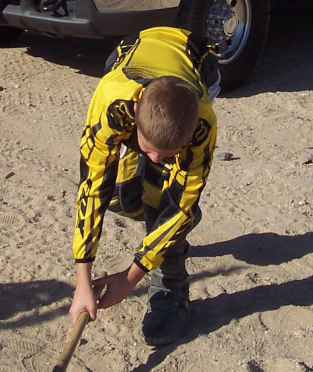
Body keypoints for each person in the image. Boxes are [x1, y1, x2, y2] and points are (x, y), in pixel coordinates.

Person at [69, 26, 219, 346]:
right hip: (135, 55)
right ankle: (150, 206)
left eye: (167, 153)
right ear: (135, 113)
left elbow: (181, 206)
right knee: (119, 195)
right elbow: (92, 187)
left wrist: (130, 278)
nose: (155, 156)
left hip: (197, 62)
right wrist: (83, 278)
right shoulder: (112, 103)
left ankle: (170, 288)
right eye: (148, 147)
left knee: (164, 201)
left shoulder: (202, 123)